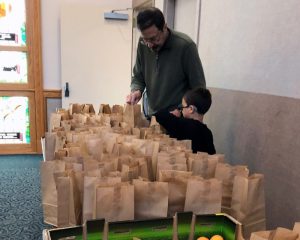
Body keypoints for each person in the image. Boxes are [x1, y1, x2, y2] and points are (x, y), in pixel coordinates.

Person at [126, 7, 206, 117]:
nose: (149, 44)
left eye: (154, 39)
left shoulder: (185, 47)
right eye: (146, 39)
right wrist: (136, 90)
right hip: (153, 117)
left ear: (164, 27)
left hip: (177, 121)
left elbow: (199, 91)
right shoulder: (142, 43)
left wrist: (181, 112)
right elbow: (138, 76)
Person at [155, 87, 216, 154]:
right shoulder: (208, 133)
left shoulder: (184, 125)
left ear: (191, 109)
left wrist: (174, 115)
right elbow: (212, 154)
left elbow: (159, 114)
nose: (181, 109)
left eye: (182, 106)